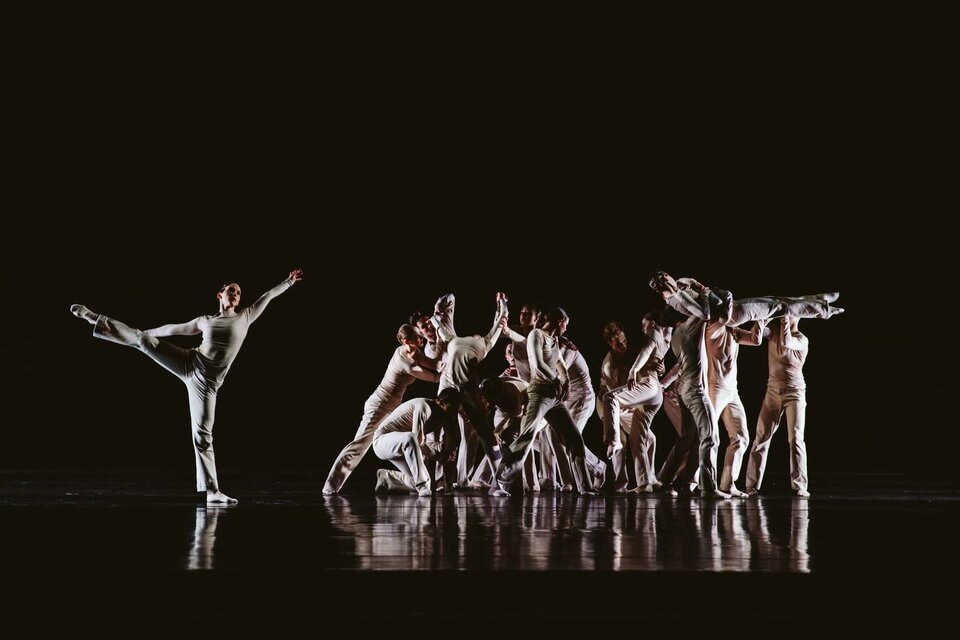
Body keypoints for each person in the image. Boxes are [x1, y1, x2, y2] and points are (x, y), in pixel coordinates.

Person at [70, 269, 304, 504]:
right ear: (220, 295)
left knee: (202, 435)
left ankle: (212, 492)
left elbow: (268, 295)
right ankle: (96, 319)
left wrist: (288, 282)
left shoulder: (246, 316)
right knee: (142, 340)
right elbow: (173, 329)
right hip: (189, 362)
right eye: (231, 291)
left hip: (207, 384)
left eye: (239, 292)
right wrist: (143, 334)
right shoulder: (205, 321)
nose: (235, 294)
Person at [491, 308, 598, 496]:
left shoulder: (555, 339)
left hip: (554, 398)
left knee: (574, 440)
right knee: (526, 437)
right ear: (560, 321)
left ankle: (585, 487)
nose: (566, 328)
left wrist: (565, 379)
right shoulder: (536, 335)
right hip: (539, 393)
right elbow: (538, 363)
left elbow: (560, 362)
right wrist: (556, 380)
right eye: (566, 324)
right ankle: (499, 485)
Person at [323, 324, 441, 494]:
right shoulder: (404, 362)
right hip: (379, 405)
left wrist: (448, 354)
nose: (421, 338)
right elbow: (434, 377)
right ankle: (330, 487)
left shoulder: (414, 352)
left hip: (393, 408)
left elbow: (434, 364)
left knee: (409, 440)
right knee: (358, 446)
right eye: (418, 337)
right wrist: (453, 370)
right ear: (407, 341)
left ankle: (393, 478)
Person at [745, 316, 813, 497]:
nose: (786, 316)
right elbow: (756, 335)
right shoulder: (774, 331)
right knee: (761, 437)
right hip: (773, 391)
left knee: (796, 438)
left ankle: (800, 484)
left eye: (791, 314)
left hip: (795, 393)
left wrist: (785, 321)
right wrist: (764, 317)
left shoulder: (801, 339)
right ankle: (751, 485)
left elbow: (786, 342)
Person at [649, 270, 843, 326]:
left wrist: (696, 285)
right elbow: (705, 315)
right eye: (666, 276)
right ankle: (824, 310)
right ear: (663, 282)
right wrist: (705, 294)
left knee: (776, 299)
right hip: (731, 313)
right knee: (779, 307)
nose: (670, 276)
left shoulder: (680, 288)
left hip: (731, 307)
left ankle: (819, 299)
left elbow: (692, 282)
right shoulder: (679, 297)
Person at [372, 388, 461, 496]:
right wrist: (440, 456)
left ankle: (387, 478)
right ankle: (422, 486)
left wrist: (448, 483)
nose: (453, 412)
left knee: (431, 486)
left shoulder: (445, 415)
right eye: (451, 408)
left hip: (405, 447)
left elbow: (447, 447)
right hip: (382, 442)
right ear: (441, 402)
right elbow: (419, 443)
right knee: (410, 438)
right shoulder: (423, 406)